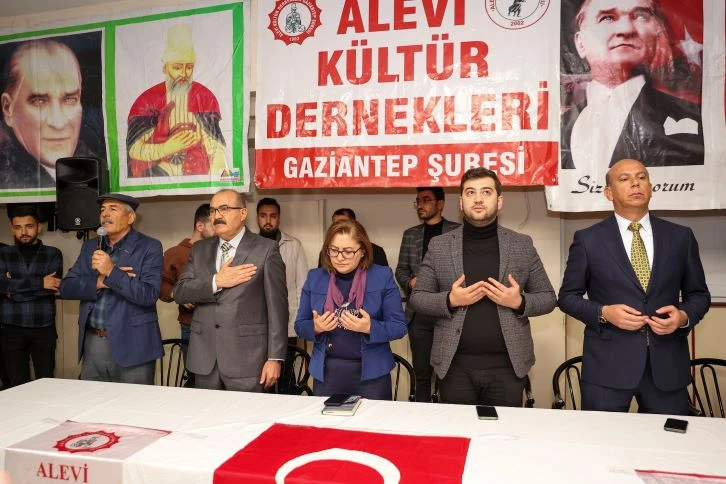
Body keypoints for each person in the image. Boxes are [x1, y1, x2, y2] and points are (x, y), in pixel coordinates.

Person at [558, 158, 710, 414]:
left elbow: (699, 295)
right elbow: (567, 297)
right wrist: (603, 313)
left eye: (641, 177)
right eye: (624, 179)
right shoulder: (588, 239)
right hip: (607, 368)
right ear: (609, 193)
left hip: (667, 367)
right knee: (603, 438)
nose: (635, 183)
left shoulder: (680, 237)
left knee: (667, 439)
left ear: (651, 188)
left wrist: (683, 316)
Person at [409, 168, 557, 407]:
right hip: (454, 366)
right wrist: (449, 300)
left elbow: (548, 298)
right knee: (458, 430)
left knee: (505, 431)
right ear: (461, 202)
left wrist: (519, 302)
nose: (478, 199)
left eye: (486, 192)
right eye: (470, 193)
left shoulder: (521, 244)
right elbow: (418, 297)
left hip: (508, 367)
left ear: (499, 201)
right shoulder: (440, 246)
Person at [560, 0, 704, 171]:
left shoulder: (691, 120)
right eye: (607, 18)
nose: (626, 29)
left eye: (641, 16)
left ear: (657, 33)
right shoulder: (557, 125)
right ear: (581, 43)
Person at [173, 189, 288, 392]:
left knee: (248, 412)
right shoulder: (200, 249)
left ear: (243, 213)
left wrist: (274, 358)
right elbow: (181, 291)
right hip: (205, 358)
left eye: (224, 209)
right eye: (213, 210)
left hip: (248, 359)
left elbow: (277, 309)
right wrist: (216, 281)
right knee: (207, 412)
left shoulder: (266, 249)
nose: (217, 215)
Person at [295, 219, 407, 400]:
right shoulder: (315, 277)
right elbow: (300, 325)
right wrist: (315, 327)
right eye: (334, 250)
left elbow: (399, 326)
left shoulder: (382, 276)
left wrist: (370, 327)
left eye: (348, 251)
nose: (340, 257)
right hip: (327, 373)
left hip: (372, 375)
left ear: (363, 251)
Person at [60, 193, 163, 384]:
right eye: (102, 210)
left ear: (130, 217)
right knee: (93, 401)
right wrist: (99, 282)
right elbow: (66, 287)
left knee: (133, 402)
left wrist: (111, 272)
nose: (105, 214)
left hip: (134, 345)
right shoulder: (90, 246)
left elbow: (149, 295)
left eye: (113, 209)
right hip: (93, 342)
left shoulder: (149, 247)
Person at [126, 24, 228, 178]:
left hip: (196, 170)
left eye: (189, 67)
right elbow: (134, 149)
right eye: (177, 67)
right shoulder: (147, 100)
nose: (184, 74)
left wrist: (217, 172)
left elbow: (215, 146)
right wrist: (166, 148)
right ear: (165, 68)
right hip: (159, 171)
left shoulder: (204, 96)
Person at [0, 39, 102, 190]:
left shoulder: (98, 169)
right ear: (8, 108)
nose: (58, 123)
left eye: (70, 99)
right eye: (39, 101)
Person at [395, 187, 459, 402]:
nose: (420, 205)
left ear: (440, 204)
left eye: (426, 200)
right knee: (421, 372)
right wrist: (410, 282)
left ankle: (448, 414)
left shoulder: (457, 231)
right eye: (418, 201)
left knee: (450, 372)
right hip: (419, 313)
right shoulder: (410, 234)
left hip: (449, 312)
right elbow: (401, 270)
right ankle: (421, 413)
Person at [0, 205, 62, 388]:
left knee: (46, 382)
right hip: (10, 328)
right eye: (18, 227)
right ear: (12, 228)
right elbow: (1, 285)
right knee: (16, 385)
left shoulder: (53, 253)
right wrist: (40, 282)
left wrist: (13, 291)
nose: (24, 232)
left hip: (43, 328)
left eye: (29, 226)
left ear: (39, 226)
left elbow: (51, 288)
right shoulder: (3, 254)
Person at [255, 197, 308, 393]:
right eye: (263, 216)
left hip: (288, 323)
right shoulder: (249, 246)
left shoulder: (293, 245)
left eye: (273, 216)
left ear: (279, 218)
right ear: (257, 218)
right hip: (257, 324)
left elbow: (303, 286)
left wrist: (300, 320)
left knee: (285, 376)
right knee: (260, 376)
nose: (268, 221)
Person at [159, 203, 214, 365]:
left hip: (220, 325)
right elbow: (158, 284)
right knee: (194, 373)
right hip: (191, 325)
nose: (219, 229)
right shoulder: (175, 253)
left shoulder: (221, 252)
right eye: (214, 224)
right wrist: (178, 294)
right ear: (200, 226)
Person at [318, 208, 389, 267]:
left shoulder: (376, 251)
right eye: (335, 224)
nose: (340, 258)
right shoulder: (326, 252)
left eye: (348, 252)